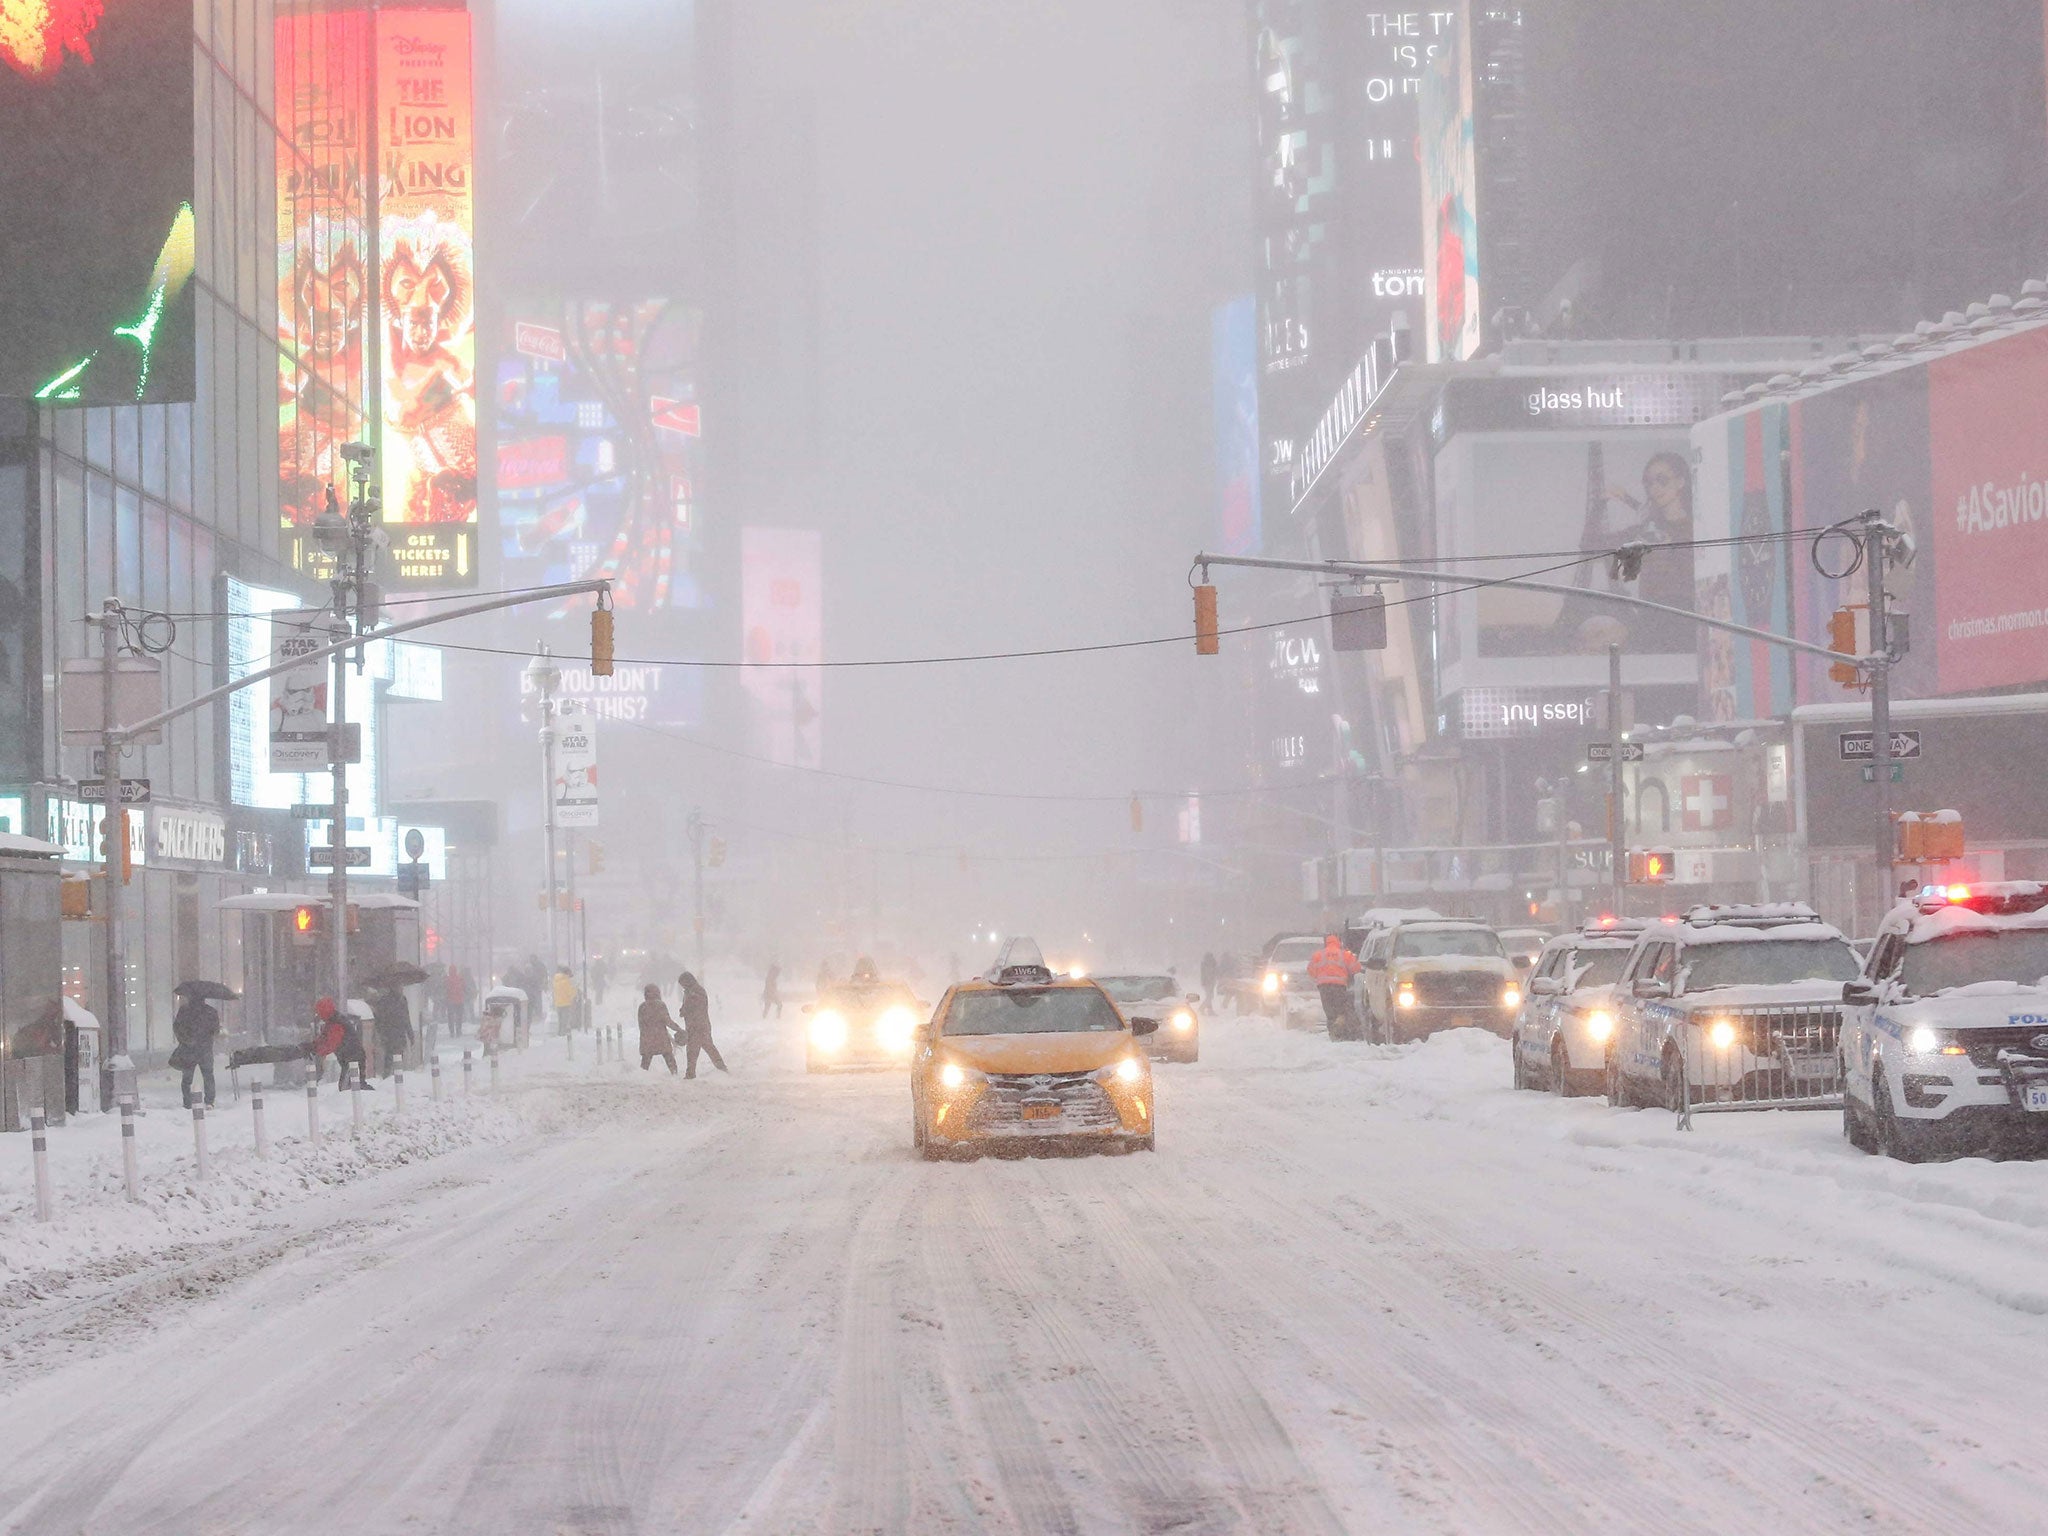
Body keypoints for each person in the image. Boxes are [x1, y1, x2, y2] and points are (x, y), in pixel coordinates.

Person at [171, 992, 222, 1108]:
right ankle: (209, 1101)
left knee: (187, 1078)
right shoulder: (211, 1011)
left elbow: (177, 1027)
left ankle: (187, 1102)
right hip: (205, 1048)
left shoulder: (184, 1011)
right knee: (208, 1075)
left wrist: (184, 1039)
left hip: (189, 1048)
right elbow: (215, 1030)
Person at [307, 997, 371, 1090]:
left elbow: (330, 1044)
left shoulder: (336, 1024)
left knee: (349, 1088)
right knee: (353, 1086)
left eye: (319, 1012)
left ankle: (375, 1099)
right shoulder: (333, 1021)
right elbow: (323, 1039)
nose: (318, 1015)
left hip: (353, 1060)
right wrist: (312, 1046)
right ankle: (370, 1099)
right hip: (350, 1059)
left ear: (324, 1011)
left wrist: (315, 1049)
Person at [1306, 934, 1361, 1035]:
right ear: (1339, 942)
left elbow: (1310, 970)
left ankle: (1333, 1031)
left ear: (1326, 942)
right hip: (1339, 986)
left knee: (1329, 1011)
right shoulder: (1345, 954)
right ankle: (1340, 1027)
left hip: (1324, 987)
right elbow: (1356, 968)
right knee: (1340, 1010)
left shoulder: (1318, 955)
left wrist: (1320, 976)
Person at [676, 970, 727, 1078]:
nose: (682, 987)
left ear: (687, 981)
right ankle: (721, 1068)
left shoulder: (696, 991)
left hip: (698, 1026)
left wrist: (684, 1010)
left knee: (693, 1050)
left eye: (683, 984)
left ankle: (690, 1074)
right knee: (707, 1048)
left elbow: (695, 1006)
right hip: (697, 1025)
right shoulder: (690, 991)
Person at [370, 984, 414, 1076]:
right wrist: (382, 1034)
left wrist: (410, 1034)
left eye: (401, 987)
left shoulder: (403, 1000)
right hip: (389, 1035)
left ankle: (397, 1080)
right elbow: (380, 1020)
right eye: (399, 987)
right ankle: (388, 1079)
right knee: (389, 1059)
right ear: (393, 987)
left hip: (398, 1034)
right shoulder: (385, 1001)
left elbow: (406, 1018)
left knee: (396, 1059)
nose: (401, 989)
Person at [637, 984, 681, 1074]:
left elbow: (641, 1024)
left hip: (647, 1039)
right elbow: (667, 1021)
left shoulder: (642, 1007)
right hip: (661, 1038)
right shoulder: (660, 1005)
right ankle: (675, 1074)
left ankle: (641, 1076)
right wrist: (678, 1029)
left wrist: (646, 1034)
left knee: (646, 1060)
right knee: (668, 1057)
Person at [552, 965, 578, 1033]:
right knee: (565, 1020)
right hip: (566, 1003)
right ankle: (563, 1033)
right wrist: (575, 989)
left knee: (560, 1019)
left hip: (558, 1002)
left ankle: (559, 1031)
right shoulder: (567, 981)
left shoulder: (556, 980)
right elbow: (570, 993)